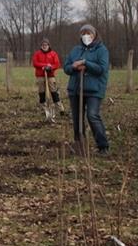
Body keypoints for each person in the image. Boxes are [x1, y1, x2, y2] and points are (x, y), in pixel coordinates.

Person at [63, 24, 110, 154]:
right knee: (77, 118)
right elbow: (66, 68)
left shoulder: (101, 50)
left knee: (92, 115)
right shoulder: (76, 50)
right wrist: (74, 66)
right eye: (83, 34)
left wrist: (86, 64)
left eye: (88, 33)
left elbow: (102, 69)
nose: (86, 36)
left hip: (94, 90)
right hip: (76, 89)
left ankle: (103, 146)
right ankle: (80, 145)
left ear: (94, 35)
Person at [32, 37, 64, 114]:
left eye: (46, 44)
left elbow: (57, 64)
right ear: (41, 46)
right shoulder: (37, 54)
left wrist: (50, 67)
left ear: (49, 45)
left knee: (54, 91)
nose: (44, 46)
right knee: (42, 92)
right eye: (43, 45)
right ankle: (44, 109)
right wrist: (44, 66)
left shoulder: (53, 54)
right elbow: (35, 63)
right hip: (40, 75)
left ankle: (60, 108)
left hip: (50, 75)